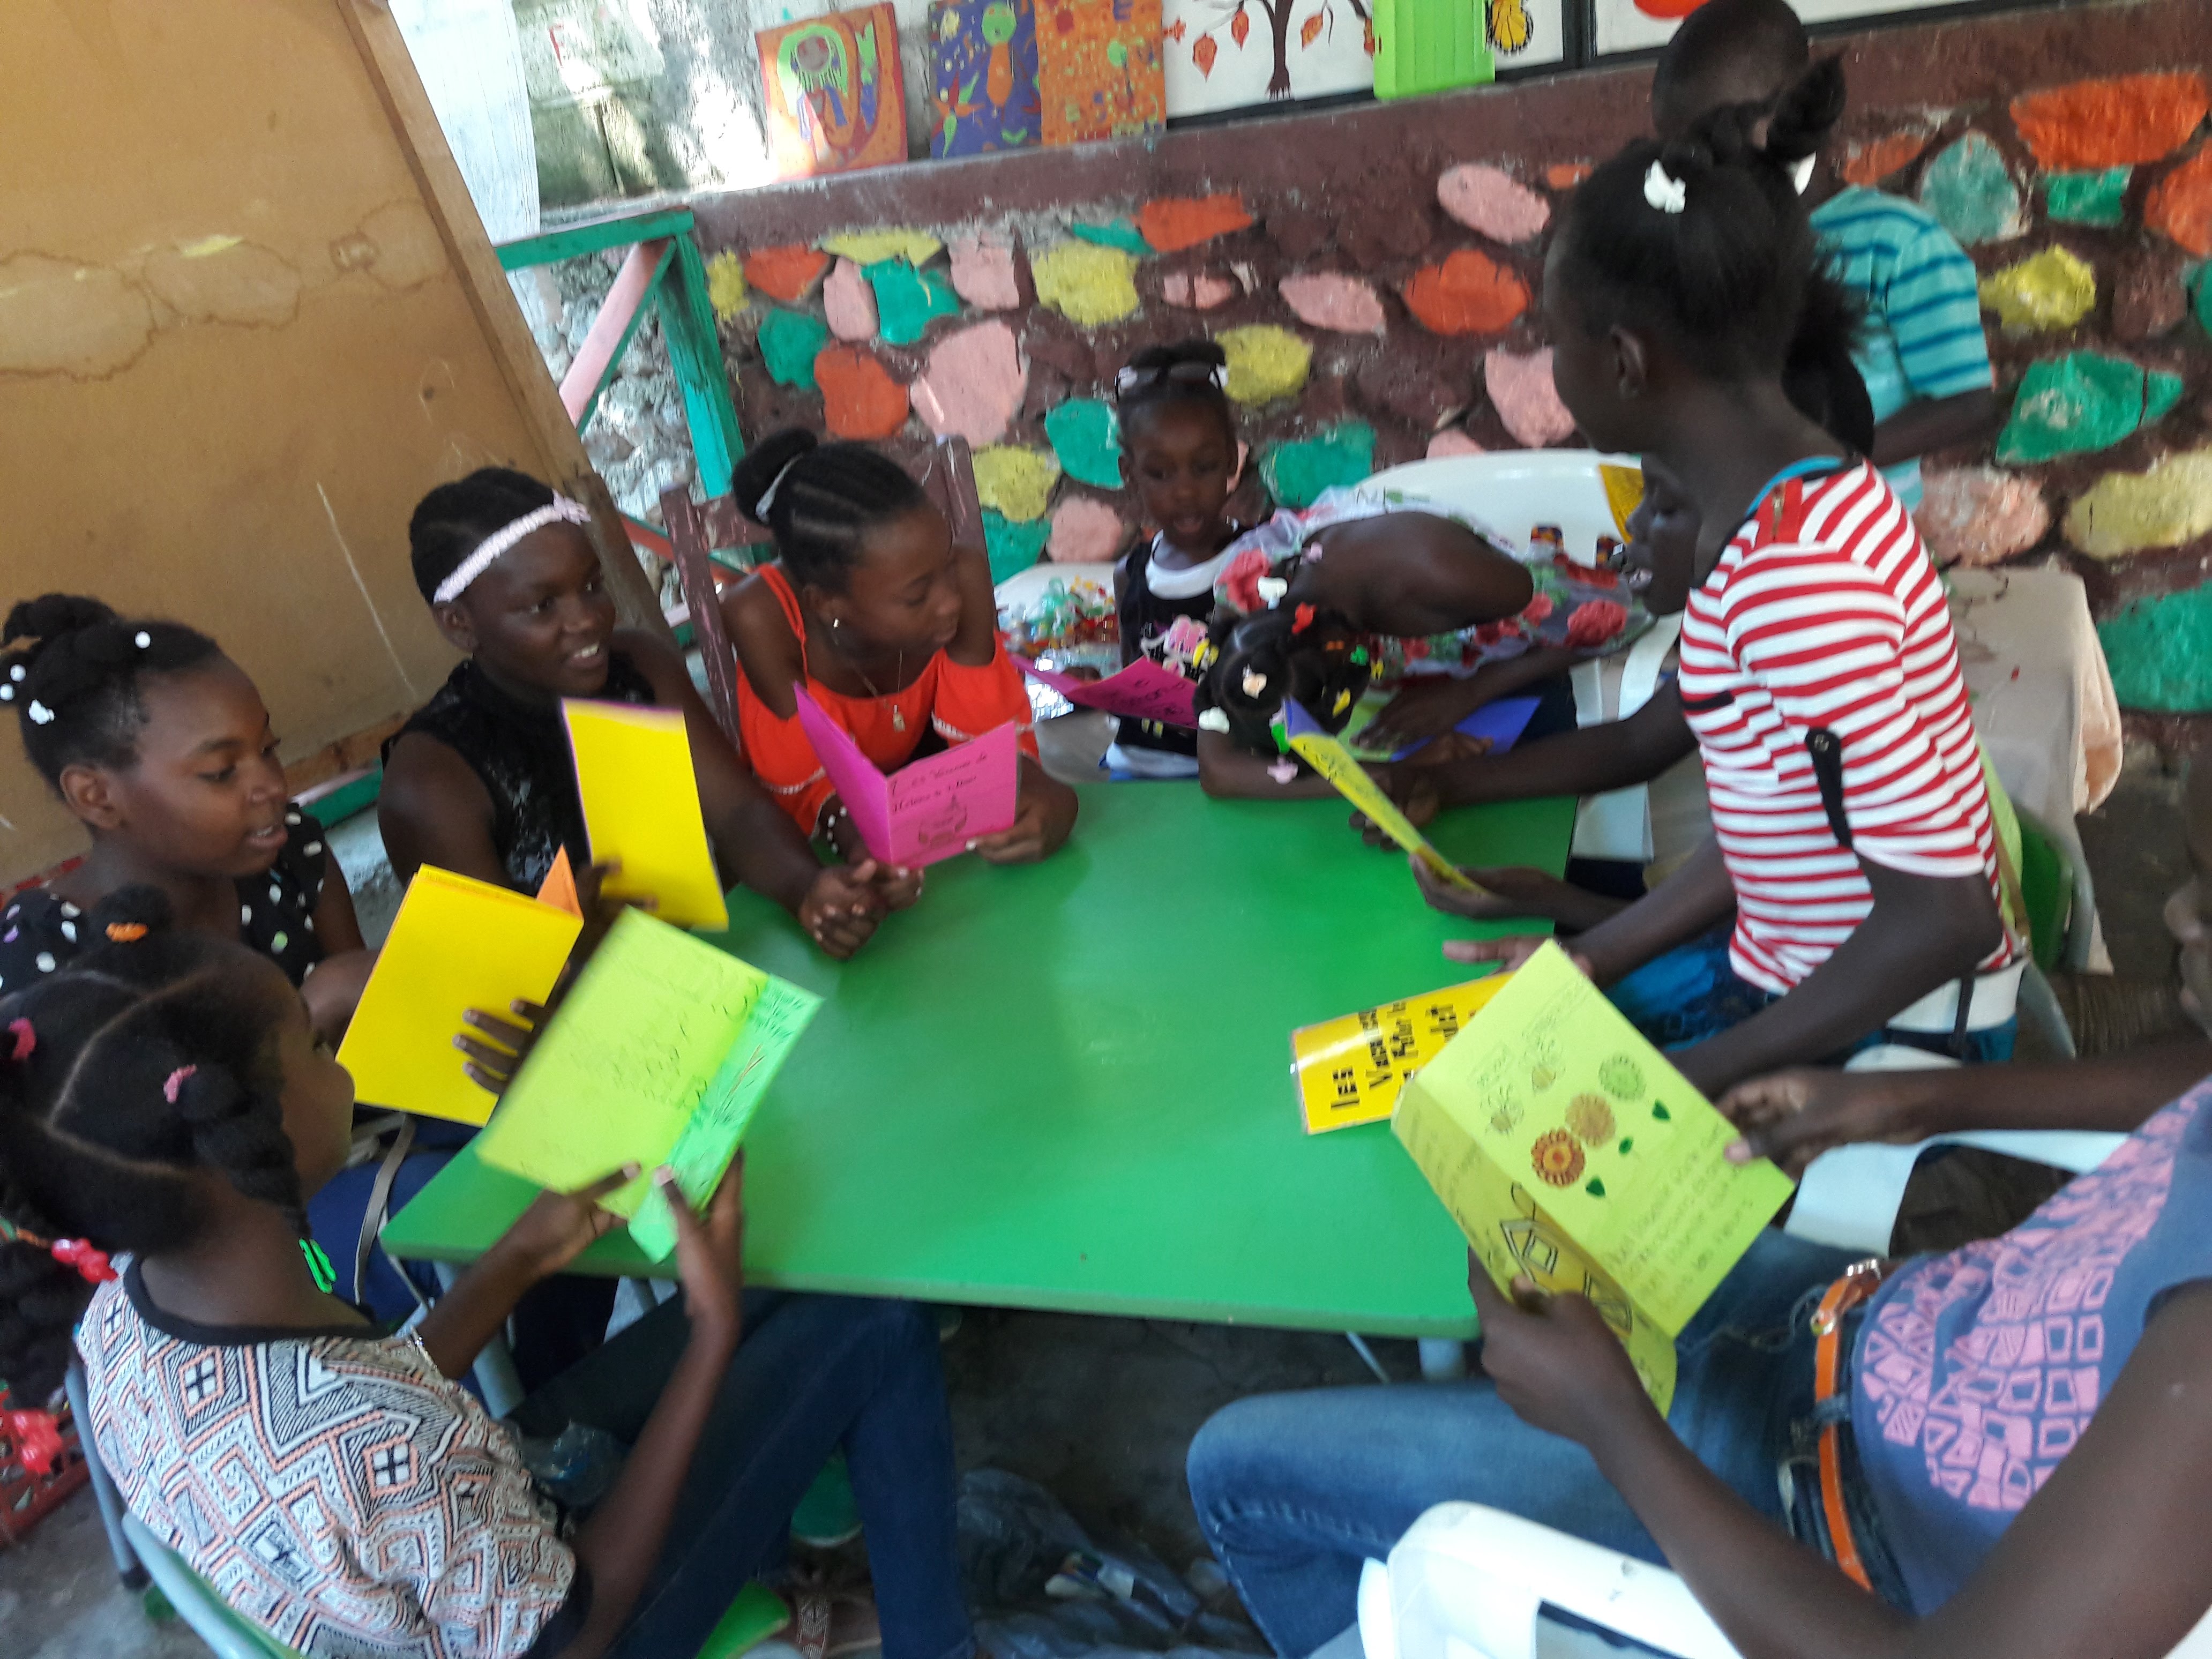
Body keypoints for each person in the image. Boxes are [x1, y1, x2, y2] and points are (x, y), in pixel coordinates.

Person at [1185, 751, 2212, 1659]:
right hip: (1857, 1324)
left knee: (1235, 1467)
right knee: (1530, 1213)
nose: (2173, 911)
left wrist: (1611, 1425)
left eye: (2209, 887)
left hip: (1814, 1523)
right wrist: (1911, 1098)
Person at [3, 889, 974, 1659]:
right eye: (311, 1041)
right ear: (240, 1136)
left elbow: (374, 1408)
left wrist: (521, 1255)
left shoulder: (122, 1317)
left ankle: (767, 1567)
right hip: (574, 1623)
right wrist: (710, 1331)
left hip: (446, 1553)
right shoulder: (378, 1436)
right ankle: (938, 1643)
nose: (338, 1054)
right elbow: (575, 1627)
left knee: (786, 1290)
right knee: (878, 1324)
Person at [1435, 71, 2015, 1097]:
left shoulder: (1799, 582)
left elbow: (1945, 917)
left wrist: (1692, 1081)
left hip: (1885, 1048)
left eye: (1553, 337)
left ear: (1623, 361)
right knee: (1492, 1063)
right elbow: (1779, 825)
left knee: (1511, 1153)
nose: (1547, 366)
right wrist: (1591, 957)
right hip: (1787, 974)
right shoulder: (1792, 509)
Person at [382, 468, 902, 961]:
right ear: (459, 624)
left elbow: (737, 813)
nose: (587, 620)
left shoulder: (640, 668)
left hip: (699, 963)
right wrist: (573, 944)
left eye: (592, 586)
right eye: (543, 606)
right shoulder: (432, 780)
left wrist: (807, 889)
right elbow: (493, 982)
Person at [1103, 344, 1646, 799]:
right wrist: (1391, 773)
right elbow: (1222, 764)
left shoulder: (1462, 583)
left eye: (1202, 467)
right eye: (1161, 472)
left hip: (1505, 685)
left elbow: (1626, 616)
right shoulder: (1251, 585)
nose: (1184, 491)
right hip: (1381, 718)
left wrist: (1466, 697)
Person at [1652, 0, 2000, 510]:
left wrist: (1820, 462)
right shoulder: (1713, 243)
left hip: (1860, 537)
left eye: (1715, 143)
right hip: (1747, 531)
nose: (1698, 168)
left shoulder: (1900, 243)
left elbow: (1968, 405)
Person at [0, 595, 372, 1043]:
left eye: (268, 749)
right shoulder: (47, 960)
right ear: (96, 798)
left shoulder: (292, 856)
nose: (273, 786)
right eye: (221, 772)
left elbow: (370, 1045)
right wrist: (312, 1013)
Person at [722, 430, 1078, 864]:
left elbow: (993, 738)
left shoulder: (965, 578)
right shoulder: (763, 618)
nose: (949, 601)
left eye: (946, 562)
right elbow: (813, 785)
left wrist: (1044, 794)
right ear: (828, 604)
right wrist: (866, 850)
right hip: (818, 848)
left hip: (941, 813)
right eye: (917, 596)